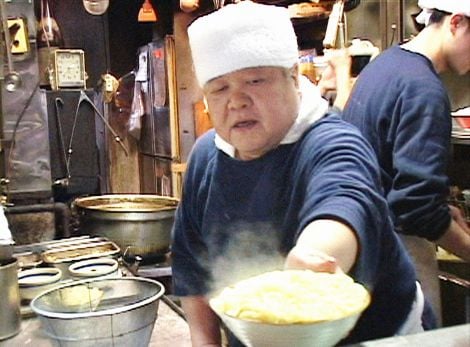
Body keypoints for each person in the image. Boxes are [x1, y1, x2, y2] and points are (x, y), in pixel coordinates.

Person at [171, 2, 436, 346]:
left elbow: (344, 199)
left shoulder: (331, 141)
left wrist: (312, 260)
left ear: (293, 78)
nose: (236, 101)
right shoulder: (207, 156)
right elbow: (193, 267)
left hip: (375, 336)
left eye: (254, 80)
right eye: (219, 88)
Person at [341, 0, 470, 322]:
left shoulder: (387, 65)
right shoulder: (423, 89)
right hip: (398, 255)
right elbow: (416, 210)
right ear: (456, 23)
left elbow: (392, 170)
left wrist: (441, 206)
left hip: (363, 245)